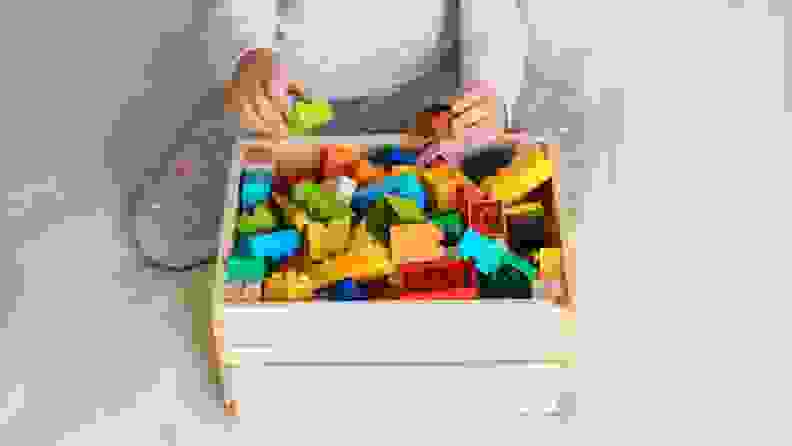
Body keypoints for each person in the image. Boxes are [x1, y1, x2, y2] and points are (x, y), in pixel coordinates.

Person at [134, 0, 530, 270]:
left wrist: (488, 89)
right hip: (289, 97)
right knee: (166, 232)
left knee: (474, 215)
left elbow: (496, 11)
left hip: (424, 102)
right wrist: (247, 56)